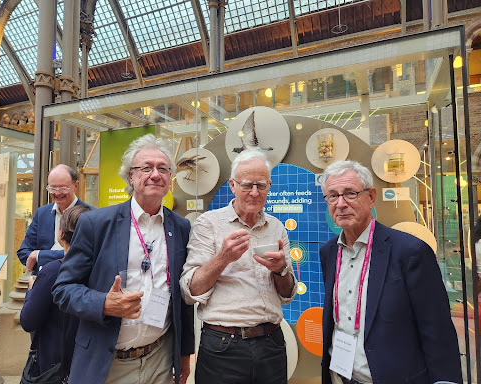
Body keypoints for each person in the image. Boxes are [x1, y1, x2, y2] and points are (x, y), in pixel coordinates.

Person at [52, 134, 194, 384]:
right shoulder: (96, 224)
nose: (155, 174)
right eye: (146, 168)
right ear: (130, 176)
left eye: (163, 168)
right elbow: (63, 290)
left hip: (159, 359)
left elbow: (181, 298)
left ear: (170, 179)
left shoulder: (181, 227)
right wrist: (103, 303)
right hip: (107, 363)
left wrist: (184, 354)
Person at [319, 160, 462, 384]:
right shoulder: (328, 253)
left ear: (371, 197)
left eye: (350, 193)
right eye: (332, 196)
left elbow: (437, 330)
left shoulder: (411, 252)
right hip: (339, 376)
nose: (341, 203)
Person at [180, 149, 297, 384]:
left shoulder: (276, 227)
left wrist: (280, 270)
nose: (254, 193)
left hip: (271, 343)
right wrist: (222, 257)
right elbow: (189, 291)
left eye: (261, 185)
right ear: (232, 185)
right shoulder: (208, 224)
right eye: (247, 185)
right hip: (223, 347)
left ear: (269, 187)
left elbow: (287, 294)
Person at [20, 204, 92, 375]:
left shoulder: (52, 272)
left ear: (61, 234)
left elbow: (28, 321)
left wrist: (31, 289)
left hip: (54, 363)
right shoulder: (101, 269)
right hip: (90, 362)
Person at [17, 164, 91, 272]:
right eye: (52, 188)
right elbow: (23, 252)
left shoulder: (90, 214)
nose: (57, 193)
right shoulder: (41, 213)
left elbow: (86, 253)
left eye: (62, 188)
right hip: (41, 284)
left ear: (75, 185)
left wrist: (39, 255)